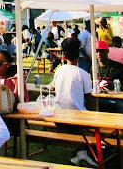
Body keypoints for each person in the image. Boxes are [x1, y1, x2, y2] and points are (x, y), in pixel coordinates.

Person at [49, 37, 97, 167]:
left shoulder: (59, 71)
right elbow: (90, 100)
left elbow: (52, 86)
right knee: (96, 123)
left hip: (59, 117)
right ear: (79, 55)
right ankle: (85, 153)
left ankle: (81, 152)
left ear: (64, 55)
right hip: (77, 119)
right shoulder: (83, 74)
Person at [95, 41, 123, 113]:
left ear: (107, 52)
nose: (99, 54)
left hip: (117, 99)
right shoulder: (94, 68)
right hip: (99, 99)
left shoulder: (120, 67)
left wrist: (115, 86)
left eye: (102, 51)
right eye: (97, 52)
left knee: (121, 107)